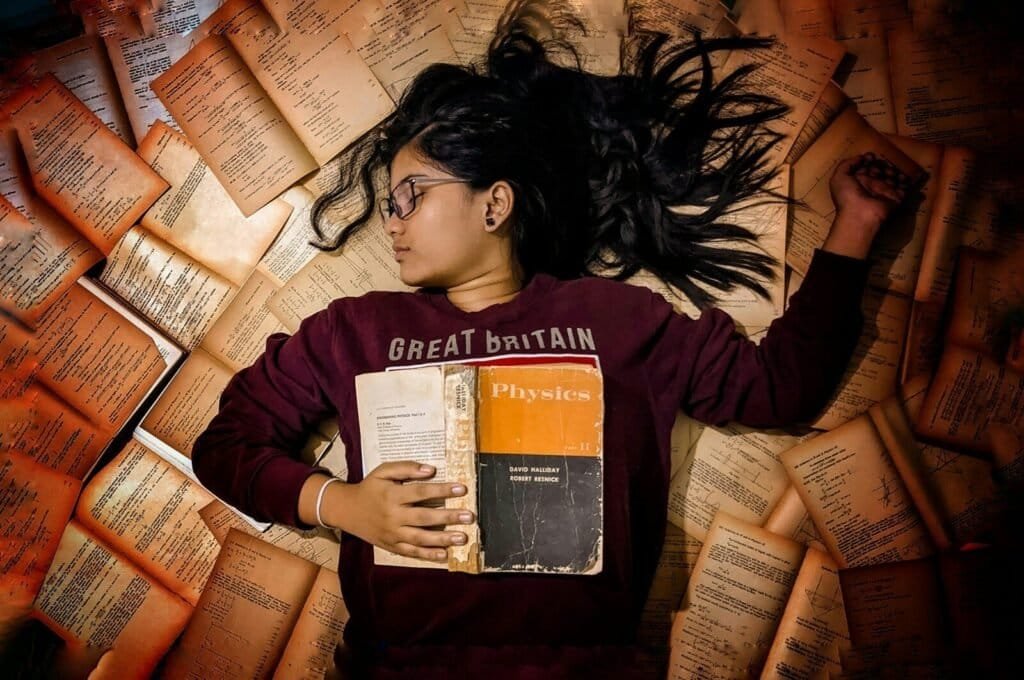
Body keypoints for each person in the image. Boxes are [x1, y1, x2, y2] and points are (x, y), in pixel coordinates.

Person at [192, 2, 916, 677]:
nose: (393, 221)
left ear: (495, 203)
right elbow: (224, 448)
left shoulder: (618, 320)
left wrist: (854, 227)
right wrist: (336, 504)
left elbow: (775, 389)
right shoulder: (353, 329)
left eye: (412, 194)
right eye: (389, 203)